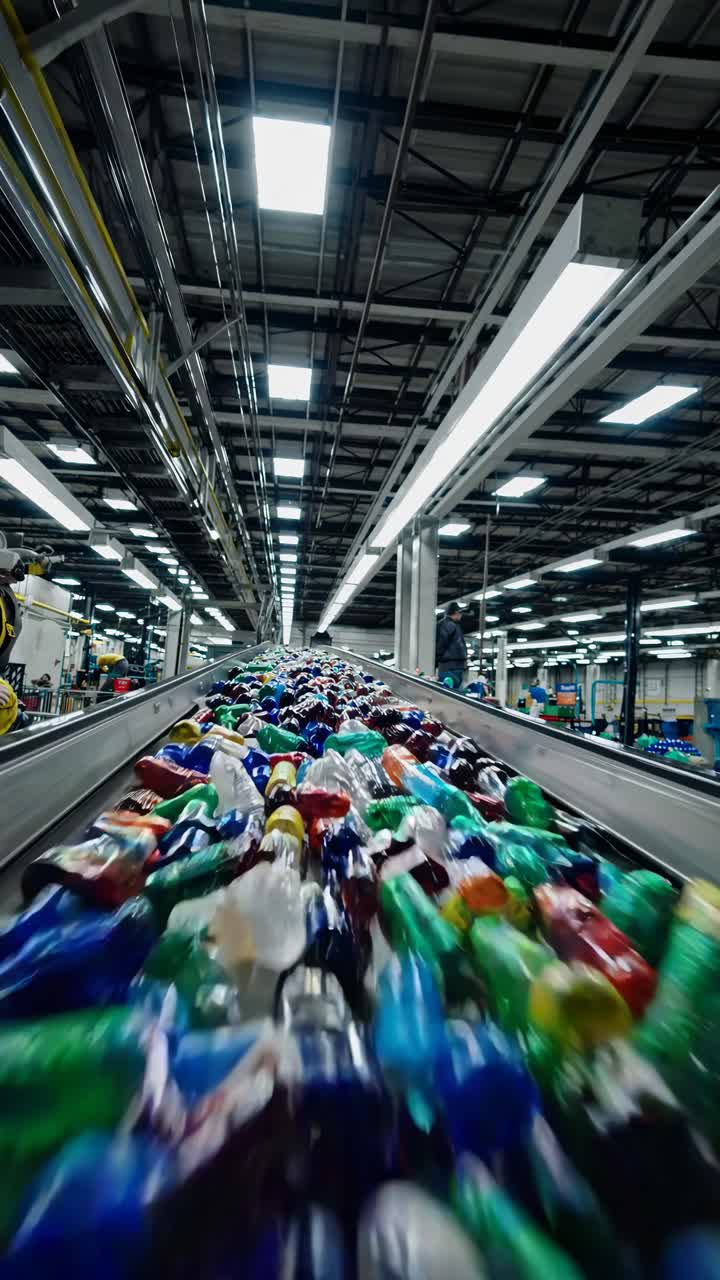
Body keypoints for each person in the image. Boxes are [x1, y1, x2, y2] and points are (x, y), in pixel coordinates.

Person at [435, 602, 467, 690]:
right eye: (460, 613)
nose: (461, 615)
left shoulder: (451, 625)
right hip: (450, 668)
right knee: (452, 695)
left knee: (454, 695)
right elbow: (441, 644)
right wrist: (440, 657)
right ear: (456, 613)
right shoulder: (448, 625)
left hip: (453, 667)